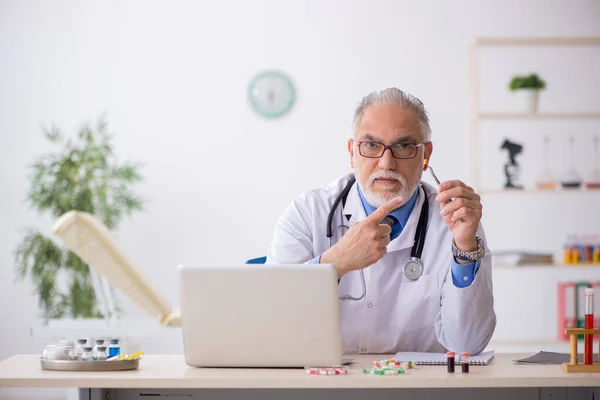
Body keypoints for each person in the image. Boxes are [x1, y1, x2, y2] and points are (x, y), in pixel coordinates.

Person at [265, 88, 496, 356]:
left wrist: (466, 248)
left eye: (404, 146)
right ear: (352, 151)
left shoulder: (455, 221)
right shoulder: (308, 213)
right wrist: (335, 263)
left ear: (425, 155)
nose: (387, 163)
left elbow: (468, 345)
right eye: (371, 145)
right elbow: (271, 320)